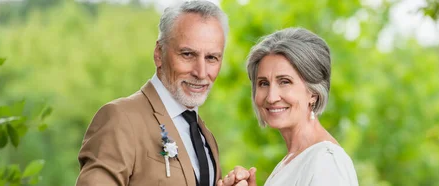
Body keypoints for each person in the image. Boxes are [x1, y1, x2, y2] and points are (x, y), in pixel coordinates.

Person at [75, 1, 229, 185]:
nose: (201, 72)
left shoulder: (206, 136)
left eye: (211, 58)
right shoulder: (120, 119)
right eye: (188, 54)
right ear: (159, 53)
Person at [218, 28, 358, 186]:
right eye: (263, 83)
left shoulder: (327, 161)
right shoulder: (290, 161)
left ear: (313, 92)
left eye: (284, 81)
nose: (271, 97)